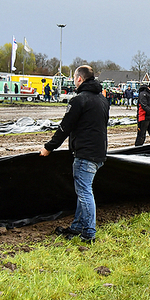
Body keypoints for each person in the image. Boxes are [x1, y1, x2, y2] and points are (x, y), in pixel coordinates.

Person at [40, 65, 109, 243]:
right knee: (83, 191)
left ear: (79, 79)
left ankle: (89, 233)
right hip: (99, 153)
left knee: (85, 192)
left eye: (74, 78)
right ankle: (77, 227)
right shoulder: (102, 100)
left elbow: (65, 127)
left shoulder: (79, 100)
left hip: (85, 154)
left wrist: (49, 147)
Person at [135, 80, 150, 146]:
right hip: (143, 117)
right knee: (141, 136)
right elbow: (144, 106)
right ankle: (137, 150)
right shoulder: (143, 94)